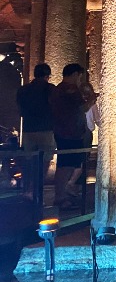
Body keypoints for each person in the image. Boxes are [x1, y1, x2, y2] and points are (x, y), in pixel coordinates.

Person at [50, 63, 97, 208]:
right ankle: (60, 197)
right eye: (79, 76)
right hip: (70, 132)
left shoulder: (58, 89)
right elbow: (81, 107)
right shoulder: (70, 89)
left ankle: (62, 194)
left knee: (66, 164)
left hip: (62, 130)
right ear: (75, 74)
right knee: (66, 165)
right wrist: (91, 100)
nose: (79, 80)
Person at [16, 63, 55, 181]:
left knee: (29, 160)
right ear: (47, 76)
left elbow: (20, 110)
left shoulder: (23, 90)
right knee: (45, 160)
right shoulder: (50, 89)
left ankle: (28, 189)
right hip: (46, 129)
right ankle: (39, 187)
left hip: (28, 129)